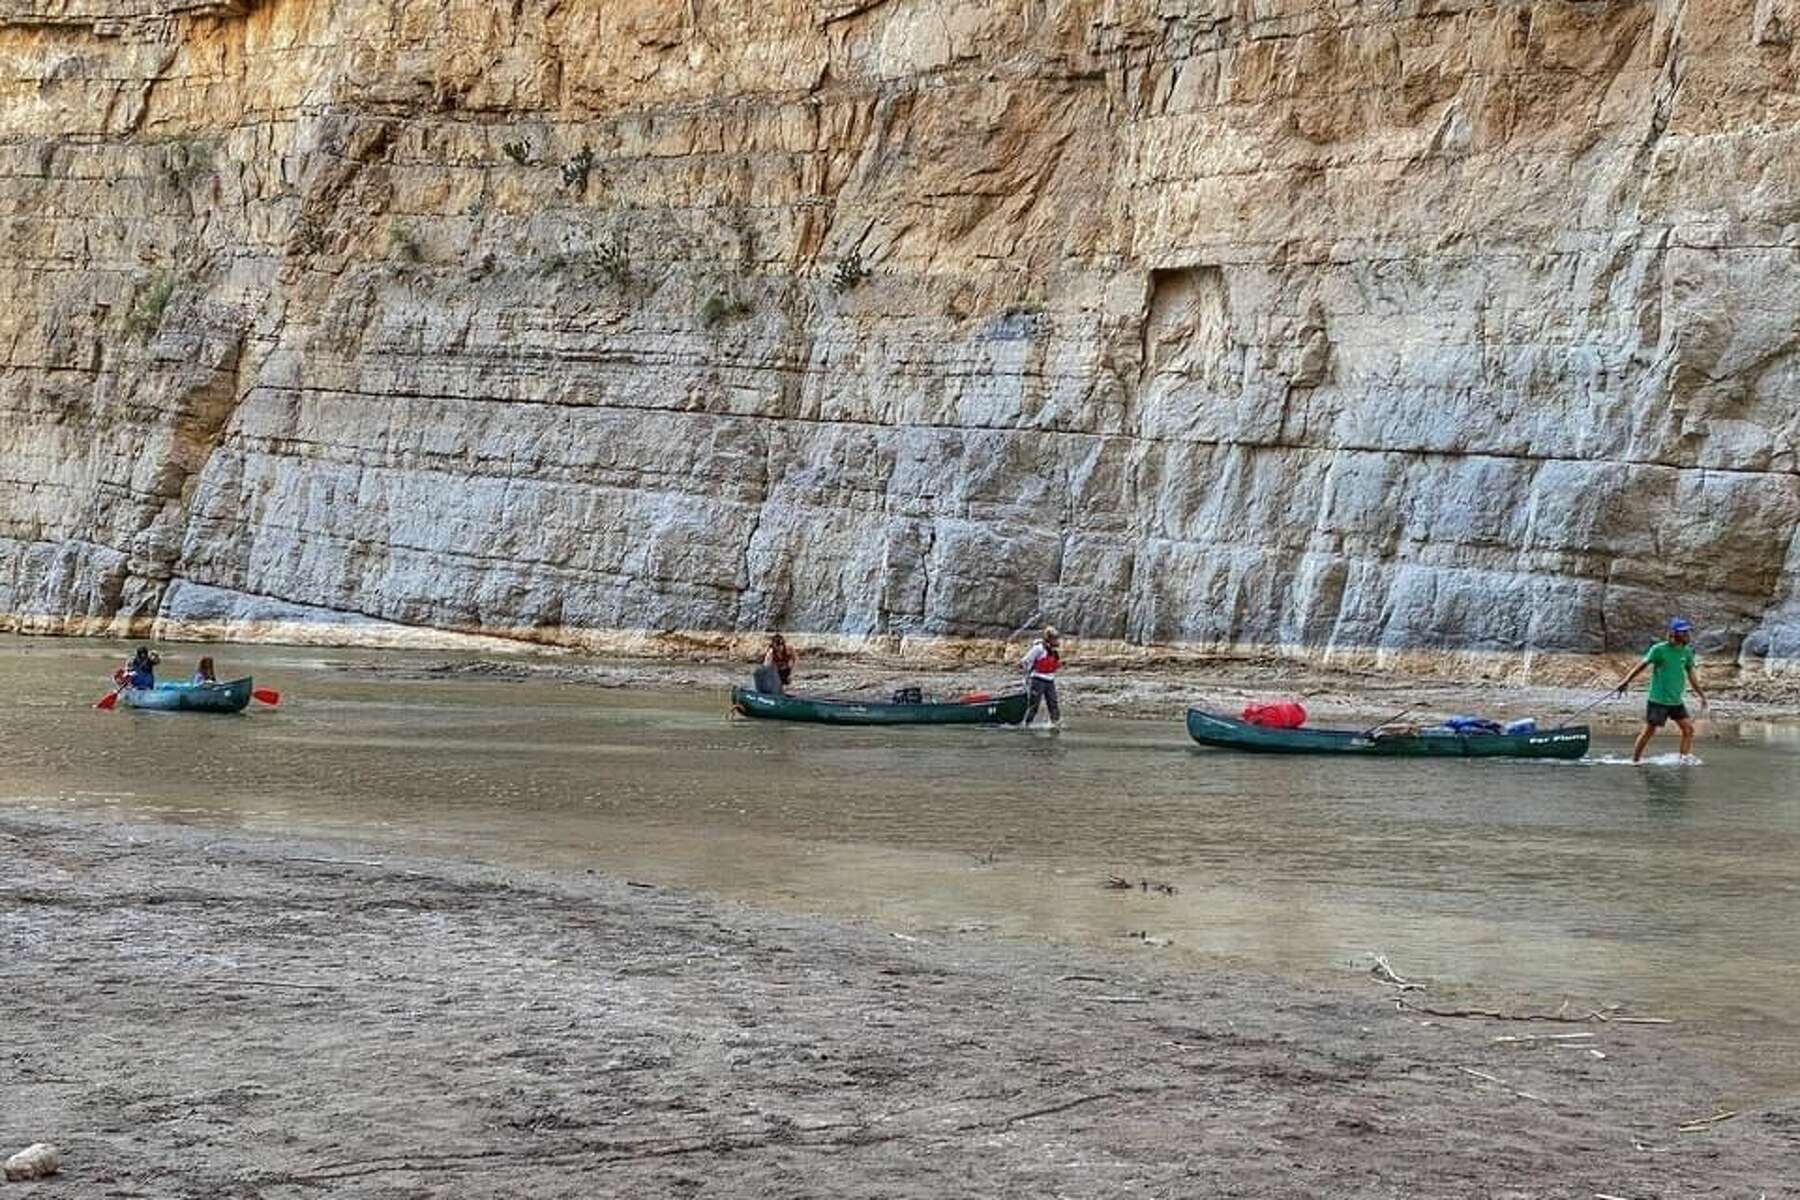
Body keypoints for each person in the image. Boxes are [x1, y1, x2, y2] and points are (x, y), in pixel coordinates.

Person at [1614, 617, 1707, 763]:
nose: (1687, 635)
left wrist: (1702, 695)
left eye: (1687, 632)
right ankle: (1635, 762)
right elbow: (1642, 665)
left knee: (1688, 730)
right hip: (1658, 699)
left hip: (1676, 700)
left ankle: (1683, 761)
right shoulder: (1658, 649)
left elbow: (1691, 675)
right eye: (1683, 632)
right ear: (1673, 633)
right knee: (1648, 732)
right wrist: (1626, 681)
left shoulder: (1687, 652)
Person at [1020, 626, 1062, 727]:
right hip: (1037, 680)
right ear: (1049, 638)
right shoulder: (1038, 648)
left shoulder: (1053, 651)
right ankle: (1027, 725)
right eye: (1054, 638)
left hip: (1050, 680)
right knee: (1034, 705)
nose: (1056, 640)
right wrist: (1027, 674)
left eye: (1056, 638)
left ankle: (1055, 723)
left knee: (1053, 704)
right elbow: (1025, 660)